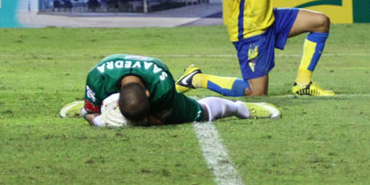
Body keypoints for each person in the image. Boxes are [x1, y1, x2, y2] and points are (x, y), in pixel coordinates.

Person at [80, 54, 280, 127]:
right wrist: (96, 117)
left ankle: (238, 108)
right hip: (110, 94)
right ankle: (86, 107)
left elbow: (158, 120)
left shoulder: (162, 85)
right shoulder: (97, 77)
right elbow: (91, 114)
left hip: (158, 95)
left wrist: (109, 121)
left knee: (201, 113)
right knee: (88, 110)